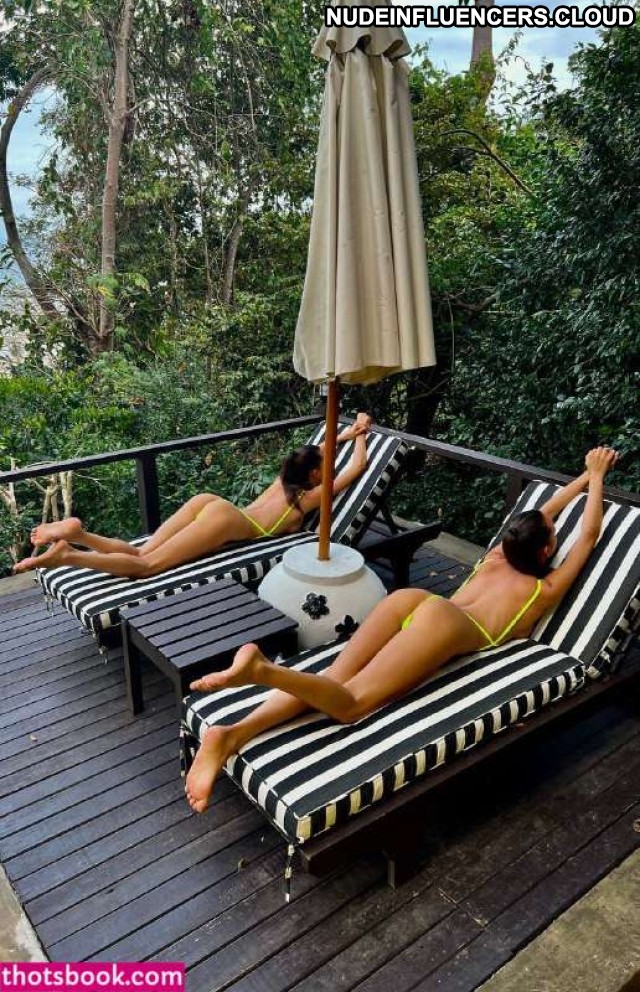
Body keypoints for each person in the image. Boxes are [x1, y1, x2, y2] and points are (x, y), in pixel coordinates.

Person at [185, 446, 619, 813]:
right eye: (553, 536)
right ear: (545, 552)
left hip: (410, 600)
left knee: (333, 678)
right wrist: (596, 478)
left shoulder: (497, 556)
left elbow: (544, 511)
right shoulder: (544, 587)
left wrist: (588, 471)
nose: (556, 533)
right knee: (351, 704)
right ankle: (262, 670)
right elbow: (589, 535)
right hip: (447, 623)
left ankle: (229, 734)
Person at [14, 413, 373, 578]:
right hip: (228, 521)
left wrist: (350, 429)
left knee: (142, 552)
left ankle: (79, 535)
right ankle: (69, 556)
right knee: (147, 568)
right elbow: (358, 466)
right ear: (316, 475)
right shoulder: (309, 496)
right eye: (327, 465)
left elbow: (320, 448)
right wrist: (362, 432)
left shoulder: (286, 477)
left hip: (210, 503)